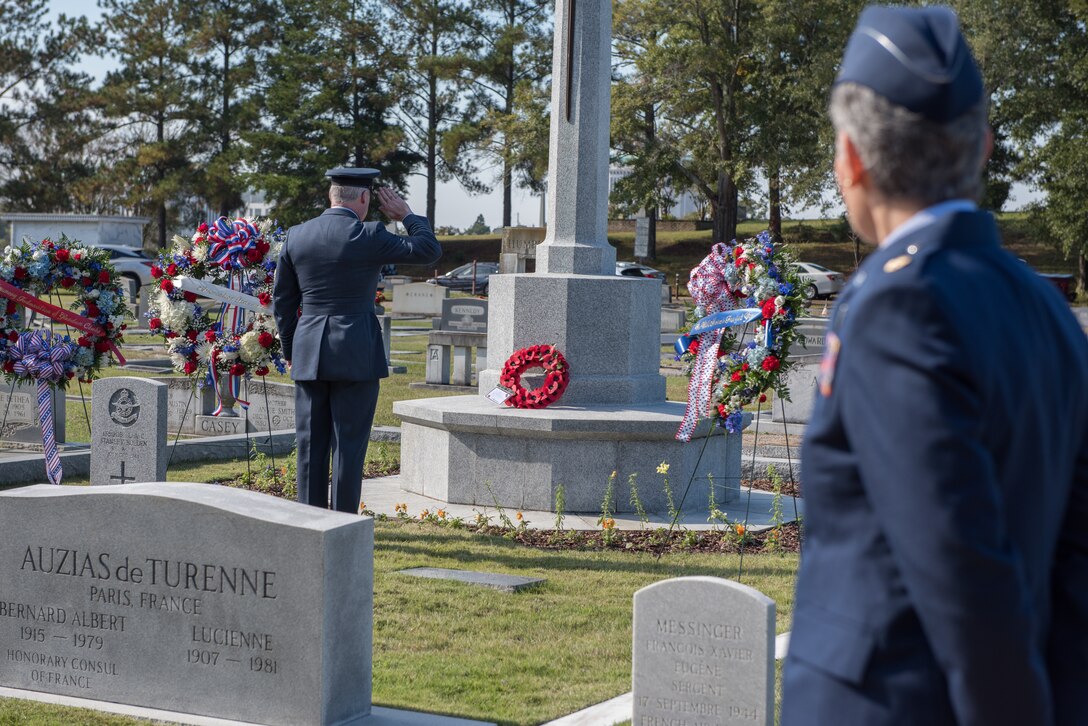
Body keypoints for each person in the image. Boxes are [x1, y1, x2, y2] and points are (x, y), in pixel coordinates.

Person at [781, 6, 1088, 726]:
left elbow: (962, 574)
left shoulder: (899, 307)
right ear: (980, 148)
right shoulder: (1046, 310)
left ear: (851, 158)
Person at [272, 167, 441, 513]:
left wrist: (290, 350)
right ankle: (343, 521)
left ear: (330, 196)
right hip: (355, 351)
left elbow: (283, 303)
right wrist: (406, 215)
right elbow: (428, 250)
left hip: (309, 352)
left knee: (309, 445)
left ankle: (309, 517)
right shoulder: (369, 234)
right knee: (349, 444)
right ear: (364, 198)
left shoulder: (297, 235)